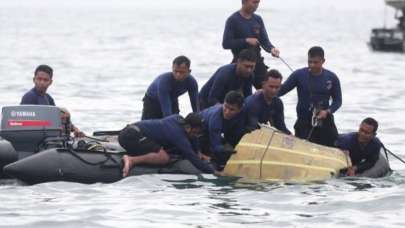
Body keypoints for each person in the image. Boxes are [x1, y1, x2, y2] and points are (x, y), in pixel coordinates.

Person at [278, 46, 342, 147]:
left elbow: (338, 101)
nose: (312, 65)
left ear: (323, 61)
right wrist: (264, 91)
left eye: (315, 62)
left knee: (331, 147)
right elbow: (281, 91)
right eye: (309, 62)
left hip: (324, 120)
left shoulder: (332, 78)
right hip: (303, 122)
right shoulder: (298, 75)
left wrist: (328, 111)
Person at [120, 113, 215, 177]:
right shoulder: (177, 134)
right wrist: (214, 172)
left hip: (134, 132)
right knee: (164, 158)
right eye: (195, 132)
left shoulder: (179, 120)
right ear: (188, 127)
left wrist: (198, 151)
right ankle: (132, 160)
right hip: (130, 136)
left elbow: (193, 138)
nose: (196, 136)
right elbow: (191, 156)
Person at [222, 0, 280, 89]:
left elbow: (264, 41)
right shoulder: (233, 20)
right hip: (241, 62)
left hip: (257, 62)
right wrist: (246, 41)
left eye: (258, 2)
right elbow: (226, 43)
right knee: (239, 95)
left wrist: (272, 49)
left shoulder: (258, 19)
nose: (256, 5)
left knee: (267, 90)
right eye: (254, 2)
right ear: (244, 1)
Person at [20, 65, 84, 137]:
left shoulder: (48, 98)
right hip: (35, 137)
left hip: (49, 136)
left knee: (64, 112)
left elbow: (56, 117)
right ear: (34, 80)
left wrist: (75, 129)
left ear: (50, 82)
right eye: (39, 79)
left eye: (45, 80)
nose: (42, 82)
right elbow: (24, 123)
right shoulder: (29, 97)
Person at [199, 91, 246, 170]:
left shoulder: (244, 112)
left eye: (232, 109)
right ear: (223, 103)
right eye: (225, 107)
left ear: (240, 110)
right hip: (201, 131)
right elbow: (216, 146)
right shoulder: (215, 118)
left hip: (222, 130)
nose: (227, 112)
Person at [142, 56, 199, 120]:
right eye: (176, 71)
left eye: (182, 72)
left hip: (172, 99)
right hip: (152, 101)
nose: (178, 75)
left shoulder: (192, 82)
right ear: (172, 69)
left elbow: (195, 105)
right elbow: (167, 112)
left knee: (176, 121)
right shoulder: (165, 81)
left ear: (189, 71)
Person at [244, 69, 291, 134]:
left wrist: (291, 137)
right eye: (271, 87)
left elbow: (281, 127)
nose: (274, 90)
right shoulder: (253, 103)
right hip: (244, 131)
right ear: (263, 85)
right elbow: (252, 128)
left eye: (277, 87)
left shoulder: (278, 103)